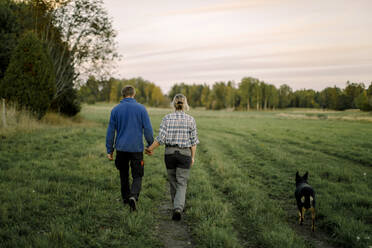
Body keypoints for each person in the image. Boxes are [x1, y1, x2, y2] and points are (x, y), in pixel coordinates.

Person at [146, 94, 199, 221]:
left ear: (173, 104)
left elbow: (161, 138)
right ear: (185, 104)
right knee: (182, 182)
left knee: (173, 181)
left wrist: (150, 148)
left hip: (169, 154)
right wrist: (192, 157)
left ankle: (176, 206)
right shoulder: (191, 120)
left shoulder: (166, 118)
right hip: (184, 154)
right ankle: (178, 208)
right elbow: (193, 142)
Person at [106, 85, 154, 211]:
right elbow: (148, 129)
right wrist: (151, 145)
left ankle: (126, 199)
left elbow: (110, 132)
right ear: (134, 94)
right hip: (136, 149)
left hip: (121, 148)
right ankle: (133, 196)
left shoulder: (115, 110)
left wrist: (109, 150)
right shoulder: (141, 109)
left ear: (123, 95)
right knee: (137, 174)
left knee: (123, 174)